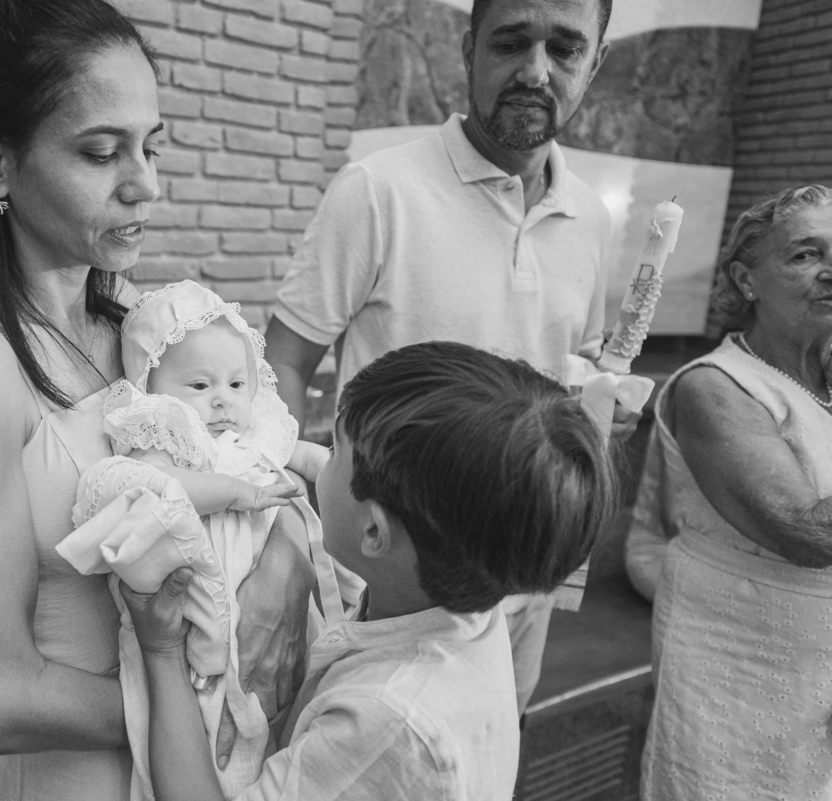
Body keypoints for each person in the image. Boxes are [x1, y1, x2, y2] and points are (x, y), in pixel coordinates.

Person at [0, 2, 312, 799]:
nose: (145, 184)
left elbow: (237, 459)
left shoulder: (138, 324)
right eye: (101, 152)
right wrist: (214, 708)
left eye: (152, 146)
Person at [264, 0, 626, 714]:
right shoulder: (377, 190)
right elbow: (283, 363)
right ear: (469, 49)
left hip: (522, 580)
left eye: (564, 49)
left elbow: (578, 373)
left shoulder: (593, 218)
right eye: (511, 43)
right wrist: (286, 528)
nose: (534, 71)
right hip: (385, 583)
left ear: (596, 62)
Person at [120, 341, 619, 801]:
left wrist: (162, 651)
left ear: (376, 534)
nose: (321, 458)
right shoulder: (457, 593)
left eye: (334, 450)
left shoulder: (389, 720)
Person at [56, 280, 340, 798]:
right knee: (210, 718)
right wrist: (233, 491)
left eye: (236, 385)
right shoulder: (167, 441)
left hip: (260, 590)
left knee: (279, 699)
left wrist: (339, 471)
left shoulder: (253, 433)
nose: (222, 402)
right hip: (188, 609)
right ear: (154, 390)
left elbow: (305, 457)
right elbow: (157, 486)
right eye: (200, 386)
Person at [637, 185, 832, 800]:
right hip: (742, 661)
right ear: (747, 281)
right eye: (806, 254)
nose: (831, 272)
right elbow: (806, 531)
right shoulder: (715, 388)